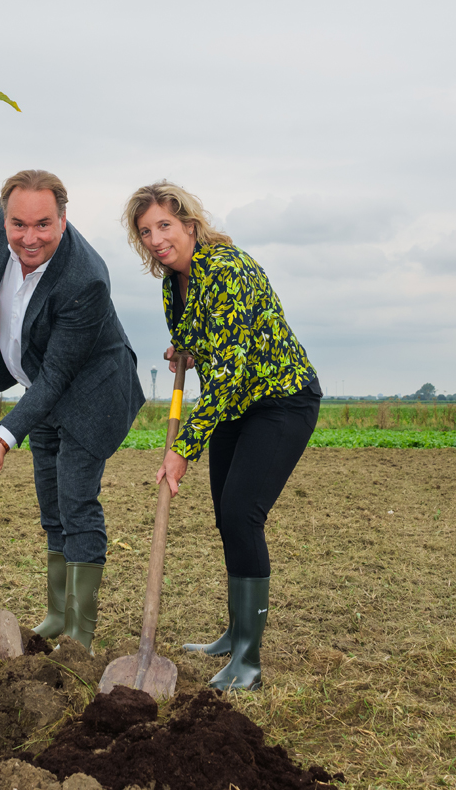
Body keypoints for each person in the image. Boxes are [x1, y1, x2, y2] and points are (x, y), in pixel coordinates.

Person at [123, 181, 321, 691]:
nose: (155, 239)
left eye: (164, 225)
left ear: (190, 223)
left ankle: (248, 664)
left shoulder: (227, 270)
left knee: (242, 514)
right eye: (145, 231)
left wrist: (183, 449)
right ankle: (235, 634)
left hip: (279, 400)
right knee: (227, 516)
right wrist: (183, 351)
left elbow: (232, 371)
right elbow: (197, 342)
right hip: (235, 405)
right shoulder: (175, 282)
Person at [0, 170, 145, 653]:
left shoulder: (85, 279)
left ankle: (80, 631)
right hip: (40, 387)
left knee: (76, 502)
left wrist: (1, 437)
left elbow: (60, 377)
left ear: (63, 219)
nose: (29, 237)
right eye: (18, 225)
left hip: (92, 392)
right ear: (6, 217)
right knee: (50, 504)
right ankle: (57, 614)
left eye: (43, 225)